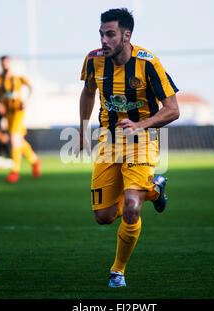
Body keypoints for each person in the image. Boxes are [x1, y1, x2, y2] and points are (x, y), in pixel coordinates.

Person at [76, 8, 180, 287]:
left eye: (110, 34)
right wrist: (83, 129)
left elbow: (173, 110)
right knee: (104, 216)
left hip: (142, 141)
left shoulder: (148, 63)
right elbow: (88, 91)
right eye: (101, 34)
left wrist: (141, 125)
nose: (104, 40)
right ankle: (154, 189)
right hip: (108, 142)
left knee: (132, 207)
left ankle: (117, 271)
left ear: (126, 35)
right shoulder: (93, 60)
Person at [0, 56, 41, 183]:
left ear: (10, 64)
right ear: (1, 64)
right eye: (3, 63)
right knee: (18, 140)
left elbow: (31, 88)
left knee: (14, 139)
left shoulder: (18, 77)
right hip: (8, 113)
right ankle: (34, 160)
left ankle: (14, 171)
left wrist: (26, 101)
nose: (5, 65)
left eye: (7, 63)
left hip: (18, 112)